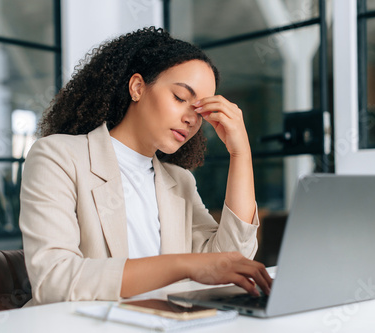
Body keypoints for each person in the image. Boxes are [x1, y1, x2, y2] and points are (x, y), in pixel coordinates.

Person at [19, 27, 272, 307]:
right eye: (179, 97)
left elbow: (230, 263)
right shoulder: (58, 156)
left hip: (160, 322)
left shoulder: (179, 181)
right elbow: (55, 281)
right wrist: (183, 266)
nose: (191, 119)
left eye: (200, 111)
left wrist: (241, 153)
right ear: (137, 87)